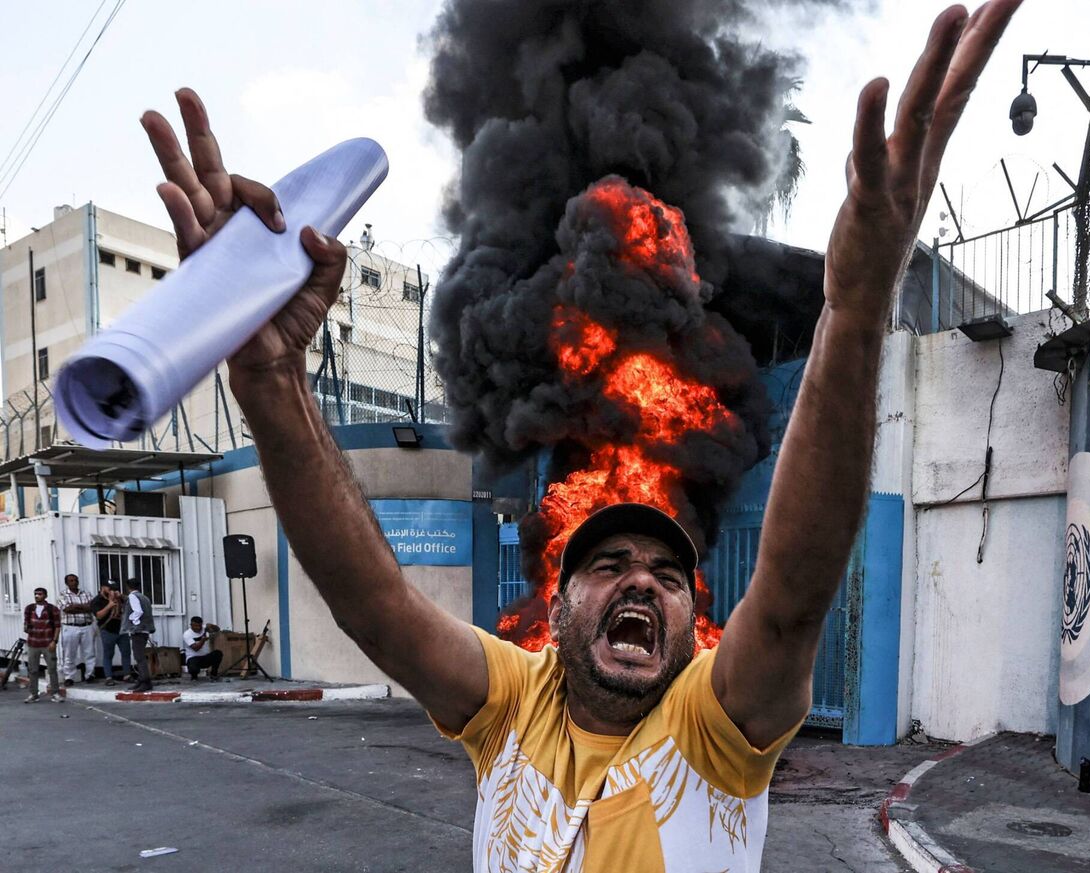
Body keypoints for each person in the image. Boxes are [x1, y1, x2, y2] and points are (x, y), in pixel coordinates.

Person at [140, 2, 1021, 867]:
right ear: (552, 611)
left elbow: (792, 591)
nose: (641, 577)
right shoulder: (510, 709)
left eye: (668, 574)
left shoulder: (717, 732)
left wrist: (856, 310)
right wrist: (270, 377)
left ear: (692, 621)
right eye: (607, 564)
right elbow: (373, 601)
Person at [23, 587, 62, 703]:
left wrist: (54, 641)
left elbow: (57, 626)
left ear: (45, 596)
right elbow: (26, 624)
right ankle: (33, 694)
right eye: (35, 594)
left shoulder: (52, 609)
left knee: (52, 669)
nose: (37, 596)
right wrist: (27, 627)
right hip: (33, 643)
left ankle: (55, 692)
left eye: (39, 594)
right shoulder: (29, 608)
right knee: (32, 669)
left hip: (47, 643)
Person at [57, 573, 97, 685]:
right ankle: (69, 677)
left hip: (87, 625)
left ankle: (90, 675)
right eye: (71, 581)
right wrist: (84, 607)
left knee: (89, 652)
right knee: (69, 653)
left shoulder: (86, 593)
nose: (74, 582)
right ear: (67, 583)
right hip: (70, 627)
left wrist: (75, 606)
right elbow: (67, 609)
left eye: (75, 580)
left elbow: (92, 607)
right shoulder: (63, 595)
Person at [90, 582, 131, 686]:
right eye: (110, 589)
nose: (112, 591)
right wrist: (109, 605)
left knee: (126, 653)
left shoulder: (118, 597)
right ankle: (108, 677)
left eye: (114, 589)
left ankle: (127, 675)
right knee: (108, 654)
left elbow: (130, 602)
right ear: (103, 588)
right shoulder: (97, 600)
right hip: (107, 630)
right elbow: (98, 615)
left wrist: (121, 596)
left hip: (121, 629)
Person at [120, 578, 156, 692]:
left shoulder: (132, 596)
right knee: (139, 656)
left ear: (127, 587)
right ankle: (141, 680)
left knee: (139, 657)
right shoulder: (145, 597)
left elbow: (138, 611)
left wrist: (132, 620)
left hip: (138, 630)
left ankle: (145, 681)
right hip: (145, 630)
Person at [181, 616, 223, 681]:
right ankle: (194, 677)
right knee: (193, 668)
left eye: (199, 626)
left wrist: (212, 626)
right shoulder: (187, 634)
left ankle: (214, 674)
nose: (197, 628)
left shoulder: (204, 628)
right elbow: (195, 648)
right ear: (191, 625)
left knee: (218, 653)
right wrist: (203, 640)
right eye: (195, 626)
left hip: (205, 657)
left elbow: (217, 629)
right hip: (193, 657)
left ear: (201, 624)